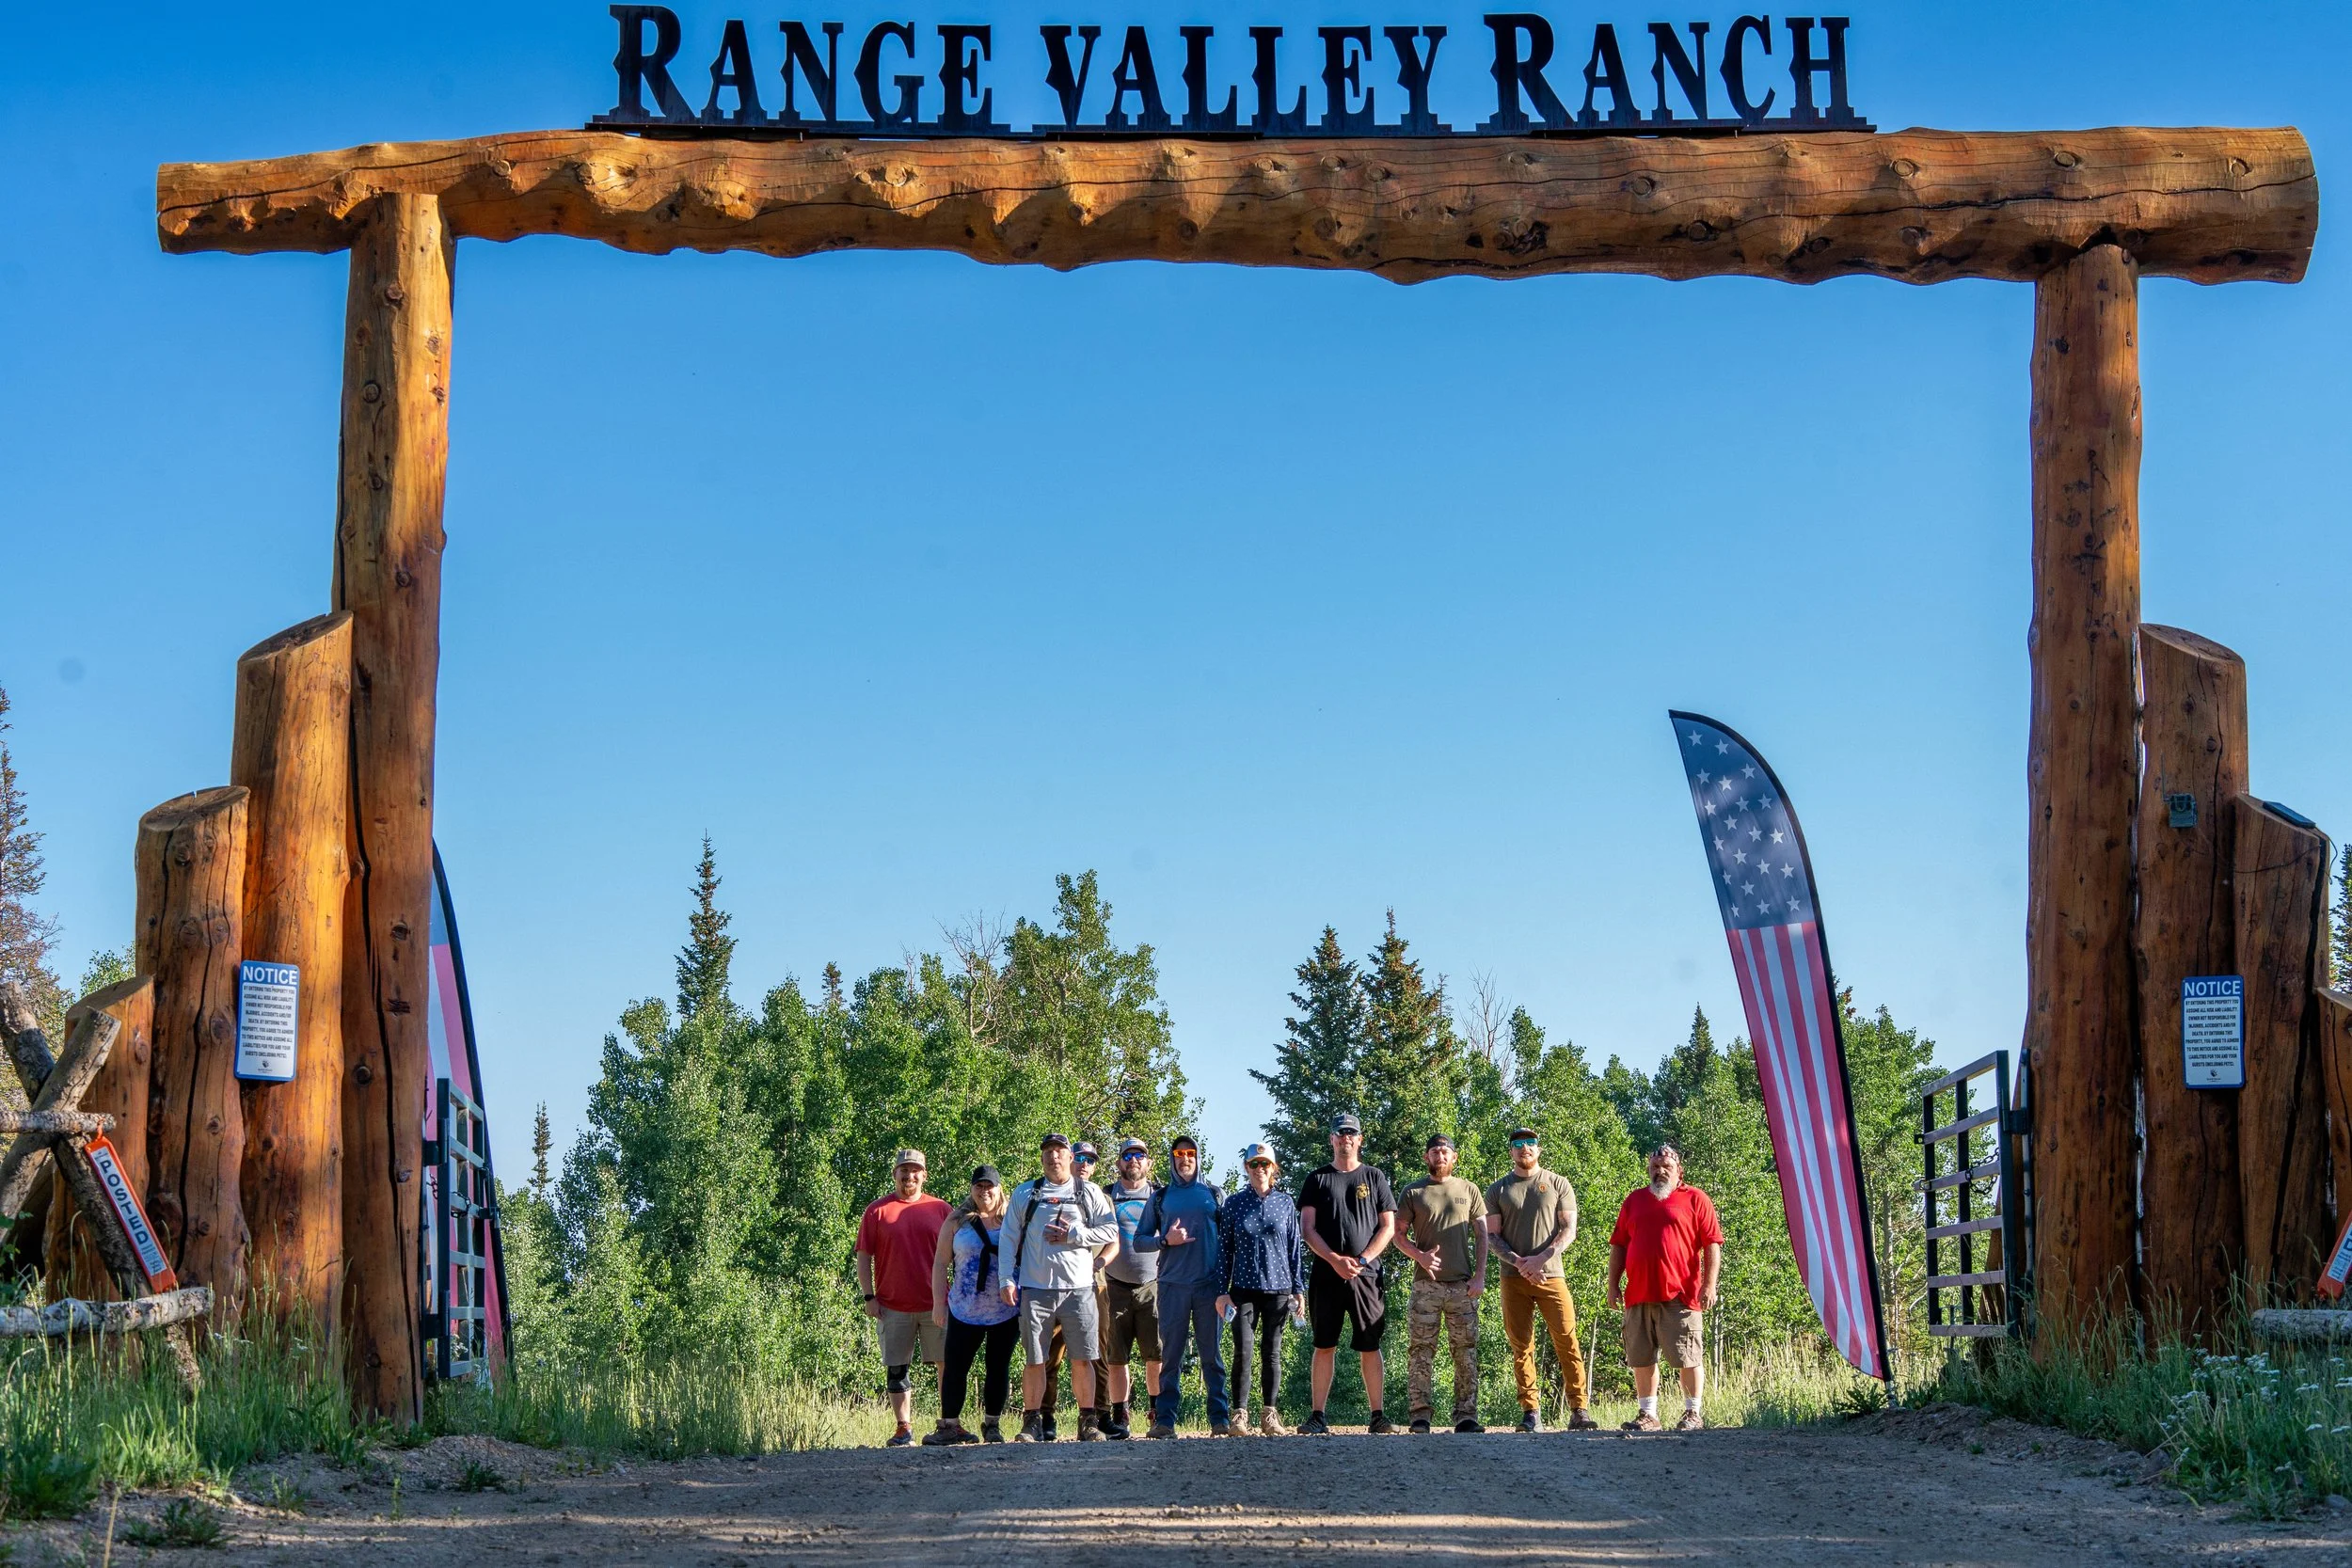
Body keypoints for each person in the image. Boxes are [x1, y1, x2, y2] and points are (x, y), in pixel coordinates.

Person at [999, 1132, 1120, 1441]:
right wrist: (1005, 1279)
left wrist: (1075, 1235)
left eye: (1060, 1151)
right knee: (1035, 1359)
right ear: (1041, 1158)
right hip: (1035, 1289)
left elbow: (1110, 1230)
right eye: (1048, 1152)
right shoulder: (1025, 1193)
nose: (1054, 1157)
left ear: (1070, 1157)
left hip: (1079, 1289)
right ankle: (1032, 1422)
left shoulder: (1089, 1192)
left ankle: (1088, 1421)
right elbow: (1009, 1238)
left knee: (1084, 1357)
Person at [1484, 1125, 1598, 1432]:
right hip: (1513, 1277)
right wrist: (1520, 1262)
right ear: (1511, 1151)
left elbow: (1568, 1230)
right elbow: (1492, 1236)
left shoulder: (1558, 1183)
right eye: (1519, 1144)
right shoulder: (1498, 1190)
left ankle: (1579, 1410)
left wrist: (1540, 1259)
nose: (1525, 1148)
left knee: (1567, 1340)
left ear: (1539, 1148)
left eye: (1530, 1143)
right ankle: (1530, 1412)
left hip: (1552, 1275)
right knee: (1521, 1346)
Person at [1606, 1144, 1724, 1433]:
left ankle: (1693, 1413)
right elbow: (1619, 1245)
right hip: (1638, 1294)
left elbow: (1712, 1244)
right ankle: (1648, 1415)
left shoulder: (1695, 1199)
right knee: (1641, 1357)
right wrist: (1613, 1285)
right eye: (1654, 1168)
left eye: (1666, 1167)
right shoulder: (1634, 1200)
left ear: (1678, 1171)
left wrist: (1709, 1285)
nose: (1660, 1172)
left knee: (1688, 1355)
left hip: (1681, 1294)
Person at [1295, 1113, 1398, 1435]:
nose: (1345, 1138)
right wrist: (1335, 1259)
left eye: (1351, 1133)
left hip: (1366, 1276)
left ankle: (1377, 1416)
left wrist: (1363, 1260)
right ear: (1332, 1139)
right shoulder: (1317, 1179)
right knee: (1324, 1344)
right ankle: (1317, 1416)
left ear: (1359, 1139)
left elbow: (1388, 1227)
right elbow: (1307, 1229)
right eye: (1340, 1133)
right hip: (1326, 1275)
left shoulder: (1375, 1176)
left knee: (1370, 1344)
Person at [1133, 1133, 1231, 1438]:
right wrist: (1165, 1240)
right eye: (1179, 1154)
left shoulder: (1214, 1194)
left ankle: (1220, 1420)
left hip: (1209, 1288)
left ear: (1197, 1157)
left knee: (1211, 1355)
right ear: (1172, 1158)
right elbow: (1139, 1241)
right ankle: (1165, 1422)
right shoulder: (1160, 1198)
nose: (1185, 1158)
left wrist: (1227, 1287)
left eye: (1190, 1153)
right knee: (1171, 1356)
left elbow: (1229, 1242)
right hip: (1173, 1286)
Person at [855, 1148, 951, 1447]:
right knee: (897, 1368)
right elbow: (863, 1255)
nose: (909, 1176)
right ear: (895, 1174)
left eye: (915, 1171)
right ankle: (903, 1428)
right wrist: (868, 1296)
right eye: (903, 1170)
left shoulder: (941, 1209)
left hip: (937, 1304)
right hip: (892, 1305)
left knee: (946, 1364)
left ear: (924, 1175)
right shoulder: (877, 1211)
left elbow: (960, 1254)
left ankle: (949, 1424)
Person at [1391, 1133, 1487, 1433]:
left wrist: (1480, 1276)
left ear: (1454, 1157)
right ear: (1426, 1158)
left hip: (1462, 1286)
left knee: (1465, 1351)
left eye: (1445, 1151)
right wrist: (1419, 1256)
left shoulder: (1469, 1190)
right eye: (1434, 1152)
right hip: (1425, 1288)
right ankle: (1420, 1415)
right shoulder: (1413, 1192)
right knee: (1421, 1350)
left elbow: (1483, 1234)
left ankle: (1466, 1416)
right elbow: (1397, 1235)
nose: (1440, 1156)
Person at [925, 1164, 1018, 1444]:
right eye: (979, 1185)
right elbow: (941, 1263)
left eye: (989, 1186)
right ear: (972, 1188)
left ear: (1000, 1188)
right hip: (964, 1308)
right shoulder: (956, 1220)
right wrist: (938, 1304)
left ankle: (992, 1424)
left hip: (1005, 1307)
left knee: (998, 1366)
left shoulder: (1013, 1219)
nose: (984, 1191)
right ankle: (949, 1426)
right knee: (955, 1366)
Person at [1216, 1141, 1304, 1435]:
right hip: (1242, 1288)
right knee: (1243, 1350)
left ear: (1273, 1168)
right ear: (1246, 1168)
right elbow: (1224, 1249)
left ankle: (1270, 1413)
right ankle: (1239, 1414)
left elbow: (1295, 1249)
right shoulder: (1234, 1204)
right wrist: (1222, 1290)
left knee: (1272, 1352)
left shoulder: (1285, 1203)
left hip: (1279, 1289)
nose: (1259, 1169)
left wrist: (1298, 1288)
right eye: (1254, 1164)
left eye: (1264, 1164)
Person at [1036, 1140, 1119, 1439]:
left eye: (1091, 1160)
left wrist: (1100, 1262)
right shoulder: (1044, 1194)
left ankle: (1099, 1416)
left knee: (1096, 1352)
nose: (1085, 1164)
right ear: (1070, 1160)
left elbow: (1114, 1240)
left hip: (1093, 1285)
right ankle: (1045, 1417)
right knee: (1049, 1354)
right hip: (1049, 1282)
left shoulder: (1100, 1198)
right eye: (1080, 1158)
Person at [1099, 1136, 1164, 1439]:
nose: (1133, 1160)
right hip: (1113, 1286)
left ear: (1149, 1163)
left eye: (1140, 1155)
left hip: (1154, 1285)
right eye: (1128, 1156)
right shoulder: (1106, 1196)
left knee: (1156, 1356)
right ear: (1118, 1163)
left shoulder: (1161, 1197)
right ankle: (1119, 1415)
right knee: (1116, 1357)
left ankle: (1157, 1412)